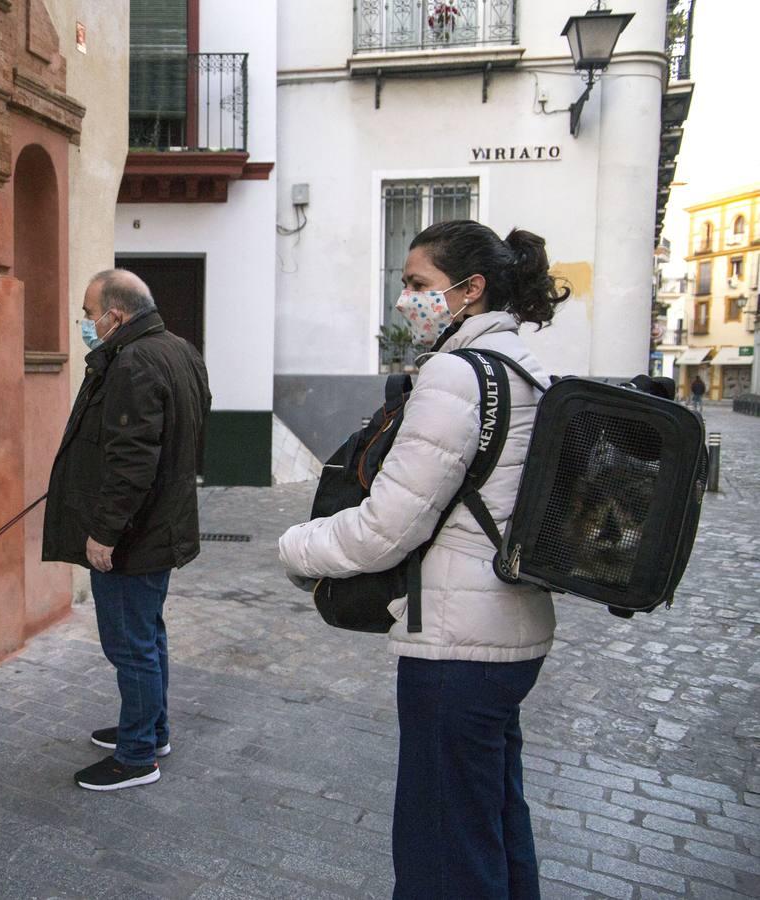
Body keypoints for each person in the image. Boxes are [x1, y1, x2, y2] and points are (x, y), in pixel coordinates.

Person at [279, 220, 567, 898]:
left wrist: (298, 548)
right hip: (511, 632)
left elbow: (389, 527)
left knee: (441, 848)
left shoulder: (456, 376)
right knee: (494, 820)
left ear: (470, 290)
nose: (405, 298)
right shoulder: (527, 368)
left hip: (456, 646)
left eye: (417, 285)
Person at [42, 269, 210, 791]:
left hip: (135, 534)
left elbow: (132, 461)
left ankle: (137, 756)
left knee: (129, 644)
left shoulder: (133, 362)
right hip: (159, 525)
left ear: (116, 315)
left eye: (89, 314)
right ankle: (151, 729)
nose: (86, 324)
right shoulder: (178, 349)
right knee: (146, 635)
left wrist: (104, 532)